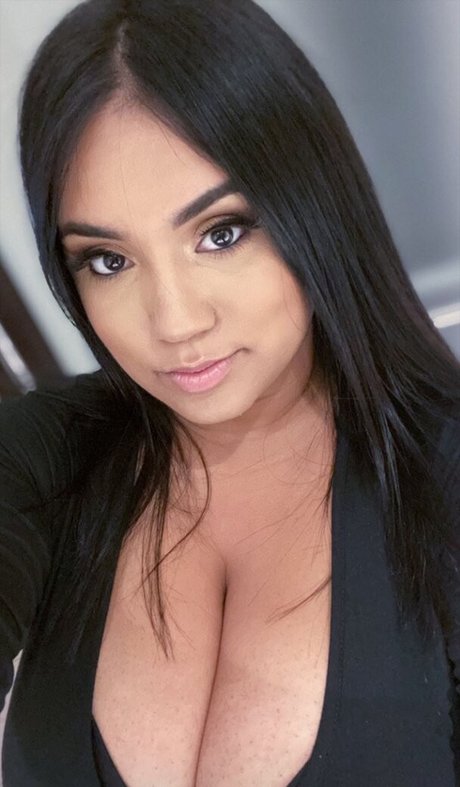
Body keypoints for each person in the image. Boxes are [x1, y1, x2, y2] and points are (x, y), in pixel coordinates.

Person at [1, 0, 459, 784]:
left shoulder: (444, 476)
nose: (175, 322)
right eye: (109, 260)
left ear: (315, 207)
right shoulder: (47, 456)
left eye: (221, 232)